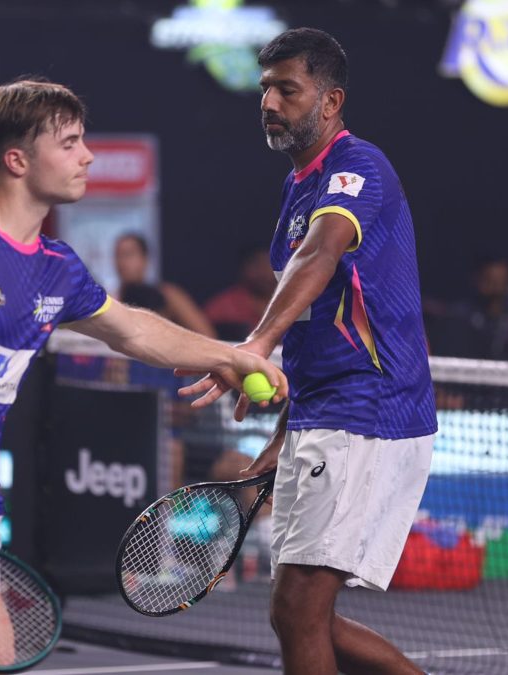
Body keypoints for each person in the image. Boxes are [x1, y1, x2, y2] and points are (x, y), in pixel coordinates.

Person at [0, 78, 286, 675]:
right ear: (17, 160)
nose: (87, 155)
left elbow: (135, 332)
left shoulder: (55, 268)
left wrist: (228, 356)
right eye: (69, 143)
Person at [183, 29, 437, 675]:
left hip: (370, 408)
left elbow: (320, 256)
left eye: (286, 89)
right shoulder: (299, 185)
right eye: (264, 87)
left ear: (330, 101)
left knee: (299, 608)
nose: (269, 100)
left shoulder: (360, 168)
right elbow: (315, 331)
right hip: (324, 410)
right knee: (297, 614)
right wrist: (281, 432)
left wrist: (251, 347)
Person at [113, 232, 215, 336]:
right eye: (118, 255)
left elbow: (207, 335)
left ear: (145, 259)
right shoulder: (113, 300)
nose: (122, 262)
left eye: (128, 254)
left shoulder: (169, 296)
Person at [432, 256, 508, 361]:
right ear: (478, 280)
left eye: (500, 283)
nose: (495, 288)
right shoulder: (459, 318)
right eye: (489, 281)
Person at [203, 245, 278, 340]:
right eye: (258, 266)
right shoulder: (224, 306)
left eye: (270, 265)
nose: (265, 273)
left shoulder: (293, 300)